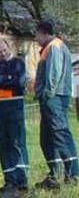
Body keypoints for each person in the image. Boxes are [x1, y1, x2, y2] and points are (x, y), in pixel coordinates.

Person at [33, 20, 78, 188]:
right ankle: (55, 175)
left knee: (60, 133)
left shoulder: (54, 47)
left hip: (55, 97)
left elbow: (54, 73)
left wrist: (47, 94)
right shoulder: (49, 48)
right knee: (46, 137)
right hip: (51, 97)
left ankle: (73, 174)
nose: (36, 38)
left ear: (42, 32)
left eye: (36, 35)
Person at [0, 39, 29, 192]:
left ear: (9, 48)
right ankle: (9, 179)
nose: (2, 54)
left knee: (17, 141)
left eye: (4, 50)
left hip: (14, 105)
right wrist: (7, 79)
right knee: (3, 143)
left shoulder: (18, 63)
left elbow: (19, 82)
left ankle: (22, 179)